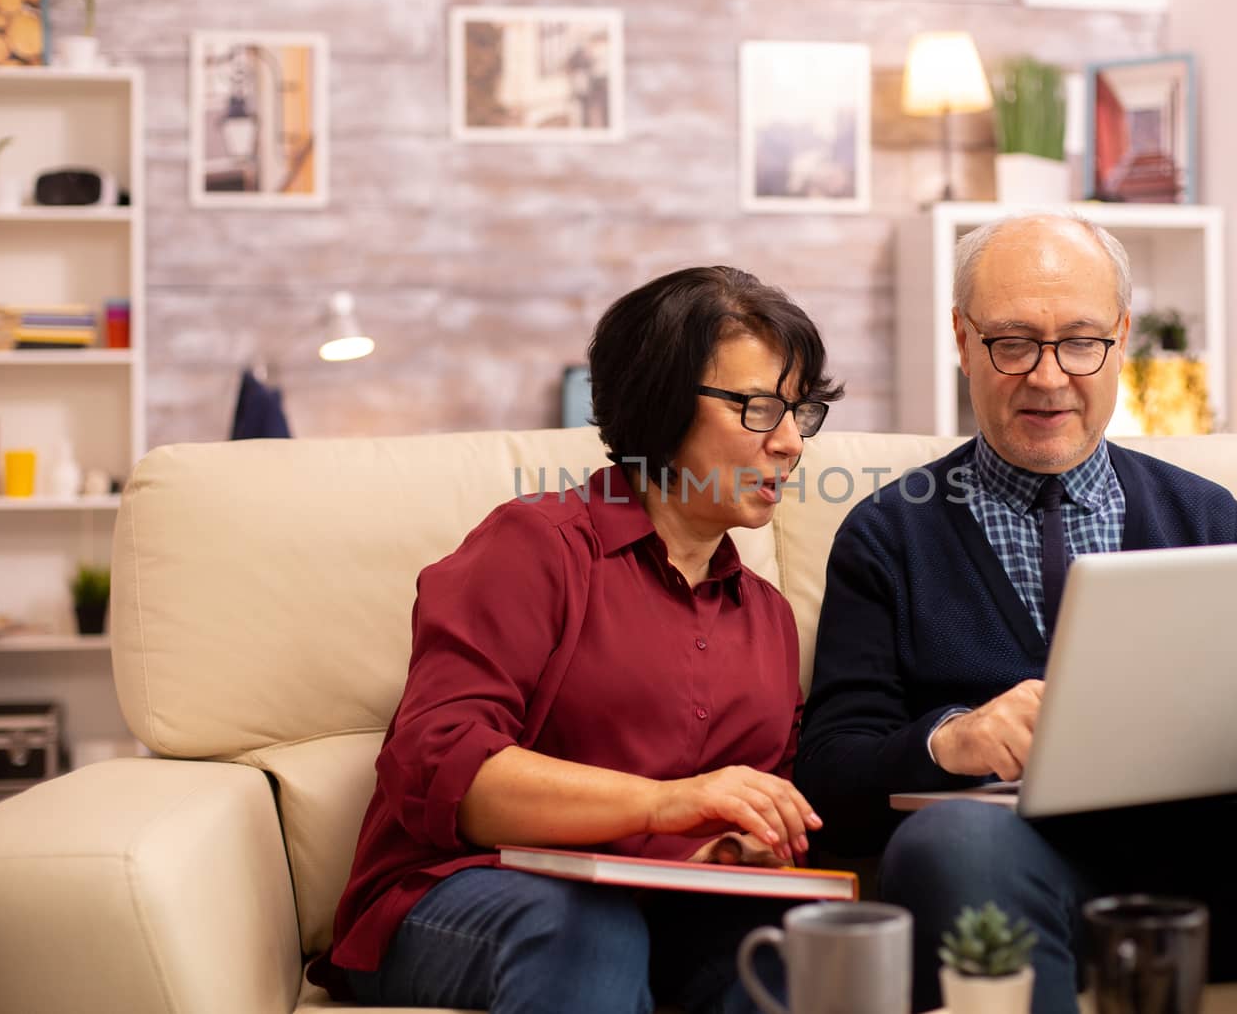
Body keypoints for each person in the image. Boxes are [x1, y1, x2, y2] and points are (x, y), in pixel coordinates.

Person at [796, 214, 1237, 1014]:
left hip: (1235, 869)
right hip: (1029, 873)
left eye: (1080, 341)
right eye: (1012, 343)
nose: (1048, 377)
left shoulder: (1206, 513)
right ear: (963, 339)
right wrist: (950, 739)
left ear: (1121, 337)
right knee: (948, 843)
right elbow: (832, 772)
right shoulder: (887, 530)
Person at [311, 266, 843, 1014]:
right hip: (461, 894)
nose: (789, 443)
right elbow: (441, 767)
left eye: (798, 412)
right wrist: (664, 805)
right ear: (662, 403)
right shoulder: (535, 546)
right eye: (759, 408)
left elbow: (754, 813)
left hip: (661, 909)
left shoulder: (766, 617)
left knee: (792, 943)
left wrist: (744, 846)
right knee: (586, 923)